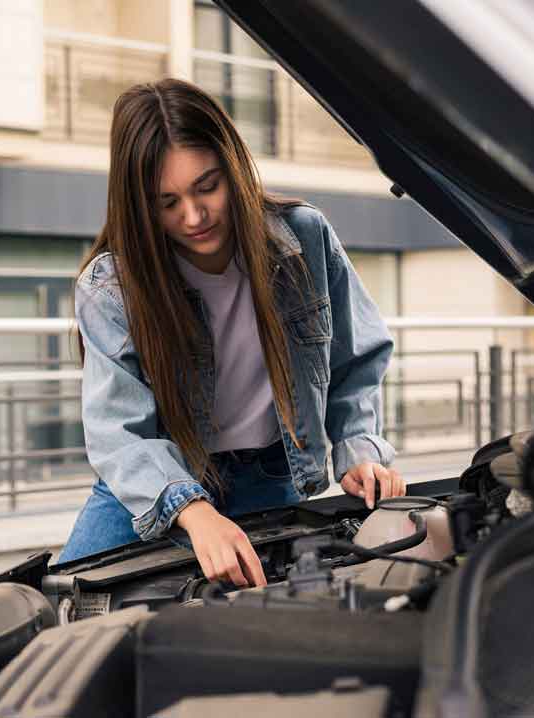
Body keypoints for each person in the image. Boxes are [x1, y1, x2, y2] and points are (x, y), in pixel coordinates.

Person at [57, 78, 404, 587]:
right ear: (138, 204)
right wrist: (194, 513)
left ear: (234, 166)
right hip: (157, 482)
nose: (193, 216)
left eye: (207, 187)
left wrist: (358, 448)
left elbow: (355, 360)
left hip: (271, 474)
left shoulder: (305, 238)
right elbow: (119, 433)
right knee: (66, 603)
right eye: (166, 202)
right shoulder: (112, 287)